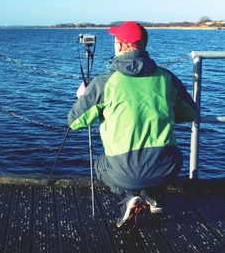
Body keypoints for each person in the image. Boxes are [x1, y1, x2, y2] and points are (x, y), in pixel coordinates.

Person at [67, 21, 197, 228]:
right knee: (161, 161)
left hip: (123, 170)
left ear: (119, 46)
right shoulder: (167, 77)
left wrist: (82, 96)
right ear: (143, 46)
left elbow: (75, 122)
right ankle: (153, 196)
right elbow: (190, 112)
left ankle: (128, 196)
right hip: (168, 165)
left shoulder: (105, 81)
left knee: (100, 166)